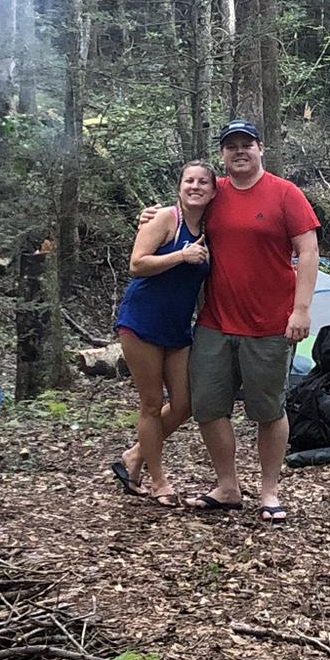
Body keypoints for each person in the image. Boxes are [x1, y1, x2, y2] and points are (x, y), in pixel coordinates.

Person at [183, 120, 319, 524]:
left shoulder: (284, 193)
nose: (239, 151)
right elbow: (182, 211)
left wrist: (301, 309)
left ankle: (269, 491)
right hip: (214, 322)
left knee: (268, 410)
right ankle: (227, 486)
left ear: (261, 149)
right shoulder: (214, 192)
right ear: (222, 155)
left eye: (247, 144)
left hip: (270, 323)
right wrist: (149, 216)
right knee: (208, 406)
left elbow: (308, 251)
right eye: (231, 146)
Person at [110, 161, 215, 505]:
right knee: (152, 403)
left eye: (203, 182)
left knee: (184, 404)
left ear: (213, 191)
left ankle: (134, 456)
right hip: (142, 320)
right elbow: (137, 263)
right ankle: (158, 481)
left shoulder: (211, 229)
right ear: (179, 187)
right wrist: (181, 255)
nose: (195, 186)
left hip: (177, 327)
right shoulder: (165, 218)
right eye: (189, 181)